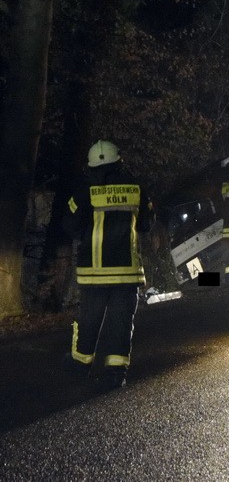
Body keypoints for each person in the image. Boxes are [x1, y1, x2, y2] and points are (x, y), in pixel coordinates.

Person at [62, 141, 153, 388]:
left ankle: (80, 364)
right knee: (121, 321)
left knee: (88, 318)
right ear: (119, 161)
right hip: (126, 272)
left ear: (91, 165)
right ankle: (115, 372)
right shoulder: (136, 188)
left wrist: (87, 234)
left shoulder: (84, 189)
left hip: (93, 272)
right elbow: (146, 224)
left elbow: (68, 224)